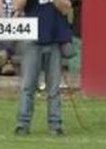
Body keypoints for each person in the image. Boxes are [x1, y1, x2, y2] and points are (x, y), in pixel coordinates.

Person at [13, 0, 73, 136]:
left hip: (54, 39)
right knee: (28, 86)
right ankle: (23, 124)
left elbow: (66, 8)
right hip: (31, 39)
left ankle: (55, 124)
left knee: (54, 88)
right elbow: (17, 6)